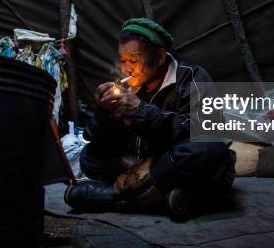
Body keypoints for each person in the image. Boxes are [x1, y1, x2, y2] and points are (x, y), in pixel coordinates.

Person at [64, 18, 235, 220]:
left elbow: (207, 130)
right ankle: (170, 197)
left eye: (134, 60)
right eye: (122, 60)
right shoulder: (127, 88)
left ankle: (112, 198)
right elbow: (93, 137)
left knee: (209, 147)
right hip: (144, 167)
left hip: (176, 162)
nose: (126, 68)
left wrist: (140, 111)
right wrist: (103, 112)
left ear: (160, 57)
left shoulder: (192, 77)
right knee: (89, 157)